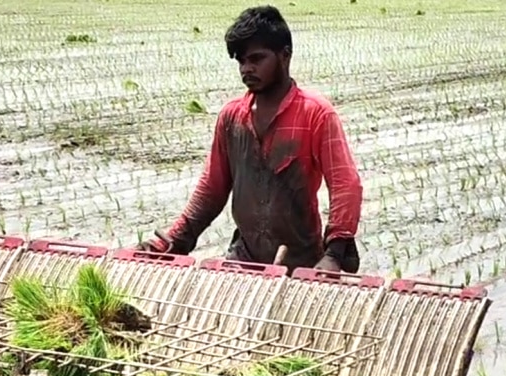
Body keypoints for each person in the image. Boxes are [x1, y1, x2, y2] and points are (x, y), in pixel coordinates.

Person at [137, 5, 363, 274]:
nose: (247, 68)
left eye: (257, 59)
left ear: (285, 56)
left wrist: (334, 254)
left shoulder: (316, 114)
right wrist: (173, 241)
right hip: (244, 256)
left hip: (302, 261)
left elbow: (345, 184)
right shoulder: (231, 117)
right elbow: (212, 189)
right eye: (242, 61)